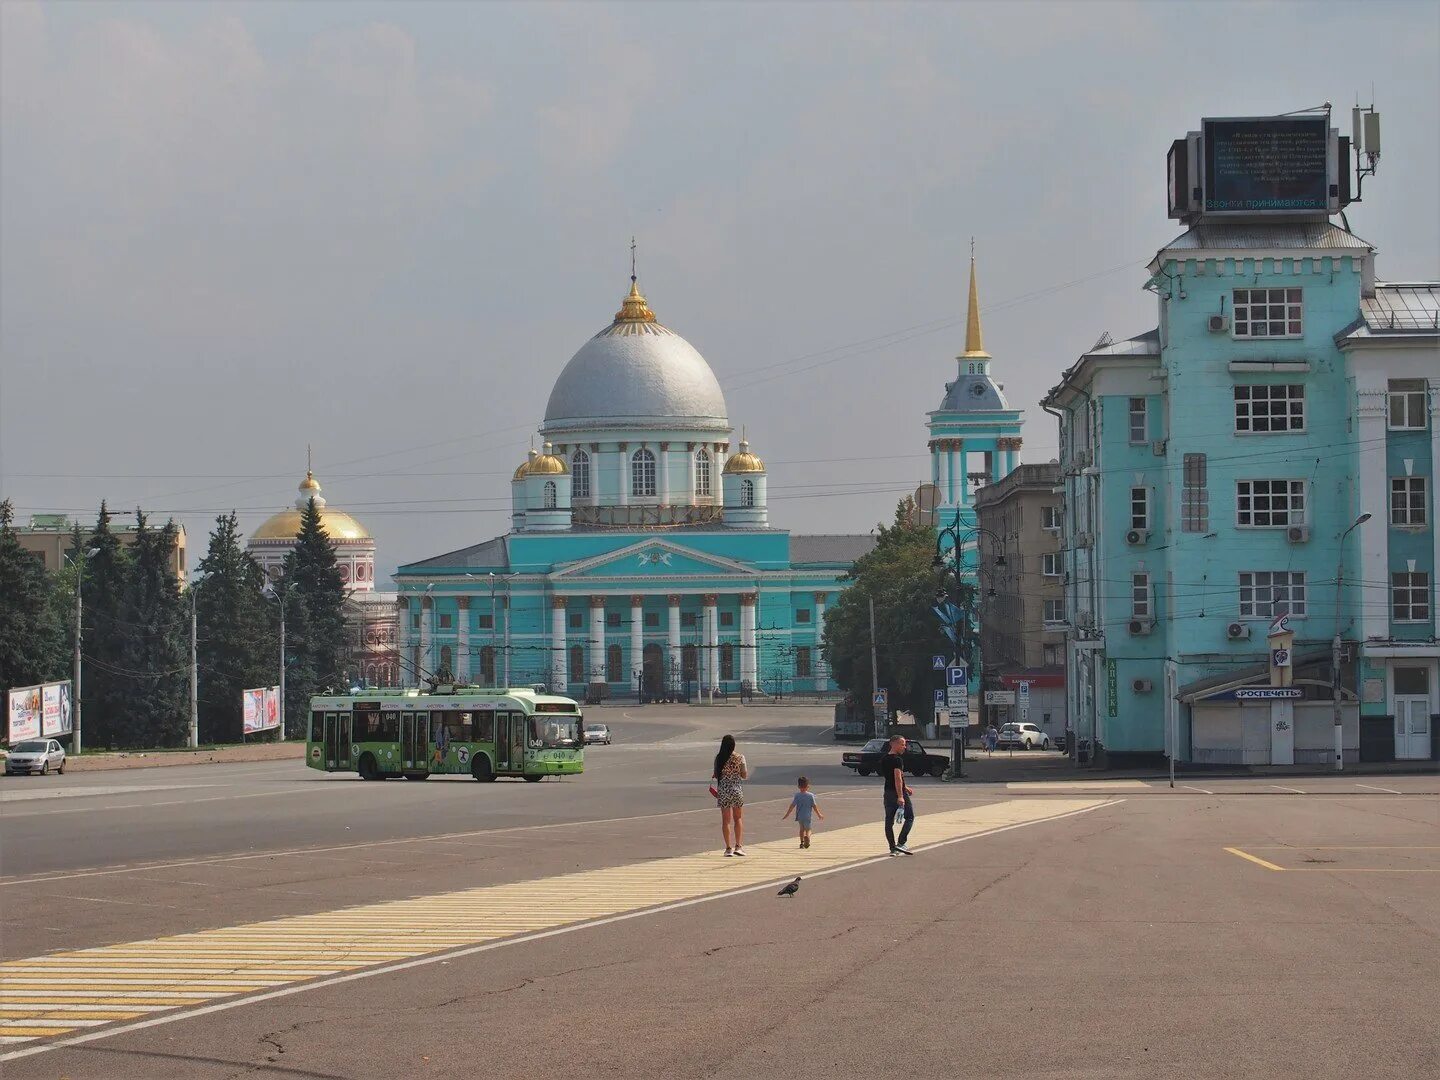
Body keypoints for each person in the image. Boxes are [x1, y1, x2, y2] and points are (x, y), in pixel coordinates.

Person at [712, 734, 749, 856]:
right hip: (736, 790)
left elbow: (716, 775)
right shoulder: (740, 757)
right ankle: (738, 846)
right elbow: (744, 775)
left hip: (723, 791)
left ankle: (728, 848)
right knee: (738, 818)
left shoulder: (719, 758)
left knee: (725, 820)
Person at [881, 734, 915, 855]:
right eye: (902, 744)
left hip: (888, 792)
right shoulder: (897, 760)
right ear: (893, 744)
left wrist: (905, 787)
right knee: (910, 817)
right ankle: (901, 842)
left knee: (889, 820)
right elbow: (897, 778)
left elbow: (889, 778)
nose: (904, 747)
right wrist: (901, 795)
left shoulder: (884, 758)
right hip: (897, 793)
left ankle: (892, 847)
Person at [782, 775, 824, 849]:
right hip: (807, 816)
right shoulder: (810, 795)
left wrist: (787, 814)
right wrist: (819, 814)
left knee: (801, 829)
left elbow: (792, 805)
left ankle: (801, 843)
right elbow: (814, 806)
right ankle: (807, 837)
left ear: (798, 786)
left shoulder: (797, 795)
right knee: (809, 829)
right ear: (808, 786)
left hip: (800, 816)